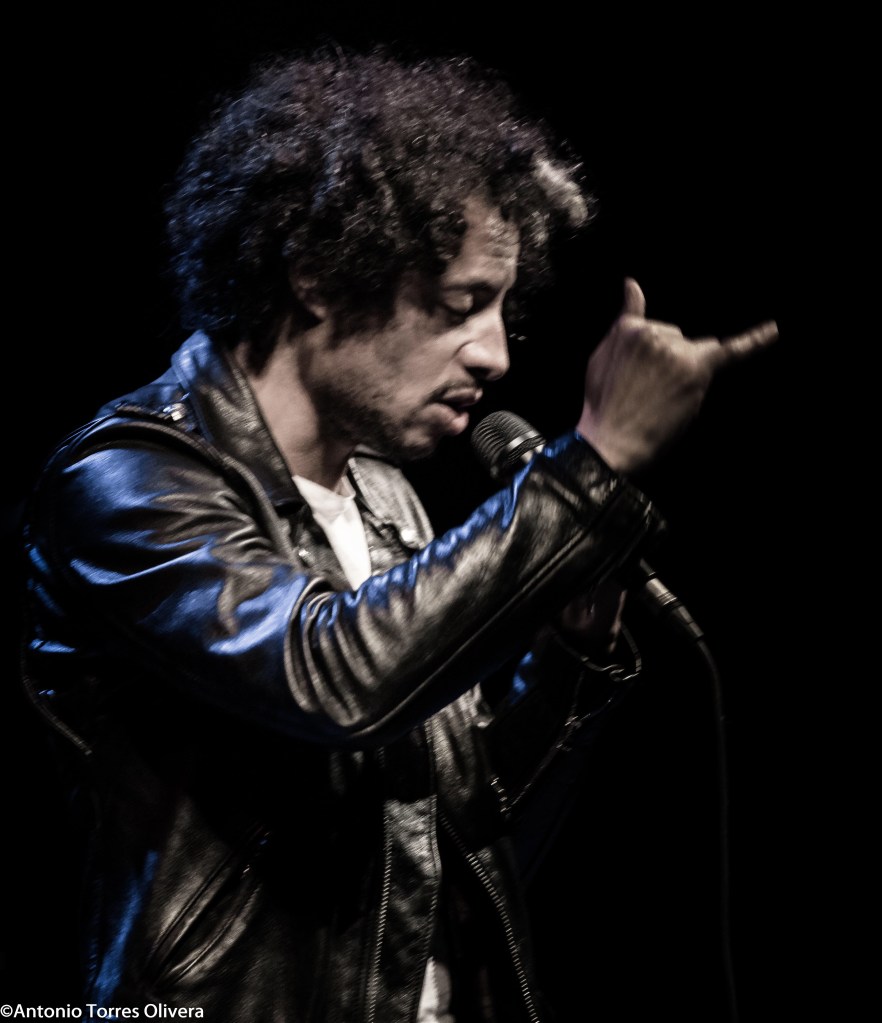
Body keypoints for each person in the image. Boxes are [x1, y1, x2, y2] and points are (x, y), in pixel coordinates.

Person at [18, 48, 777, 1021]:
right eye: (462, 305)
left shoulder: (387, 499)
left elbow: (456, 839)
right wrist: (589, 470)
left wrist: (569, 652)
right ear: (319, 277)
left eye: (502, 309)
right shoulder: (125, 479)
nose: (495, 354)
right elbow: (330, 675)